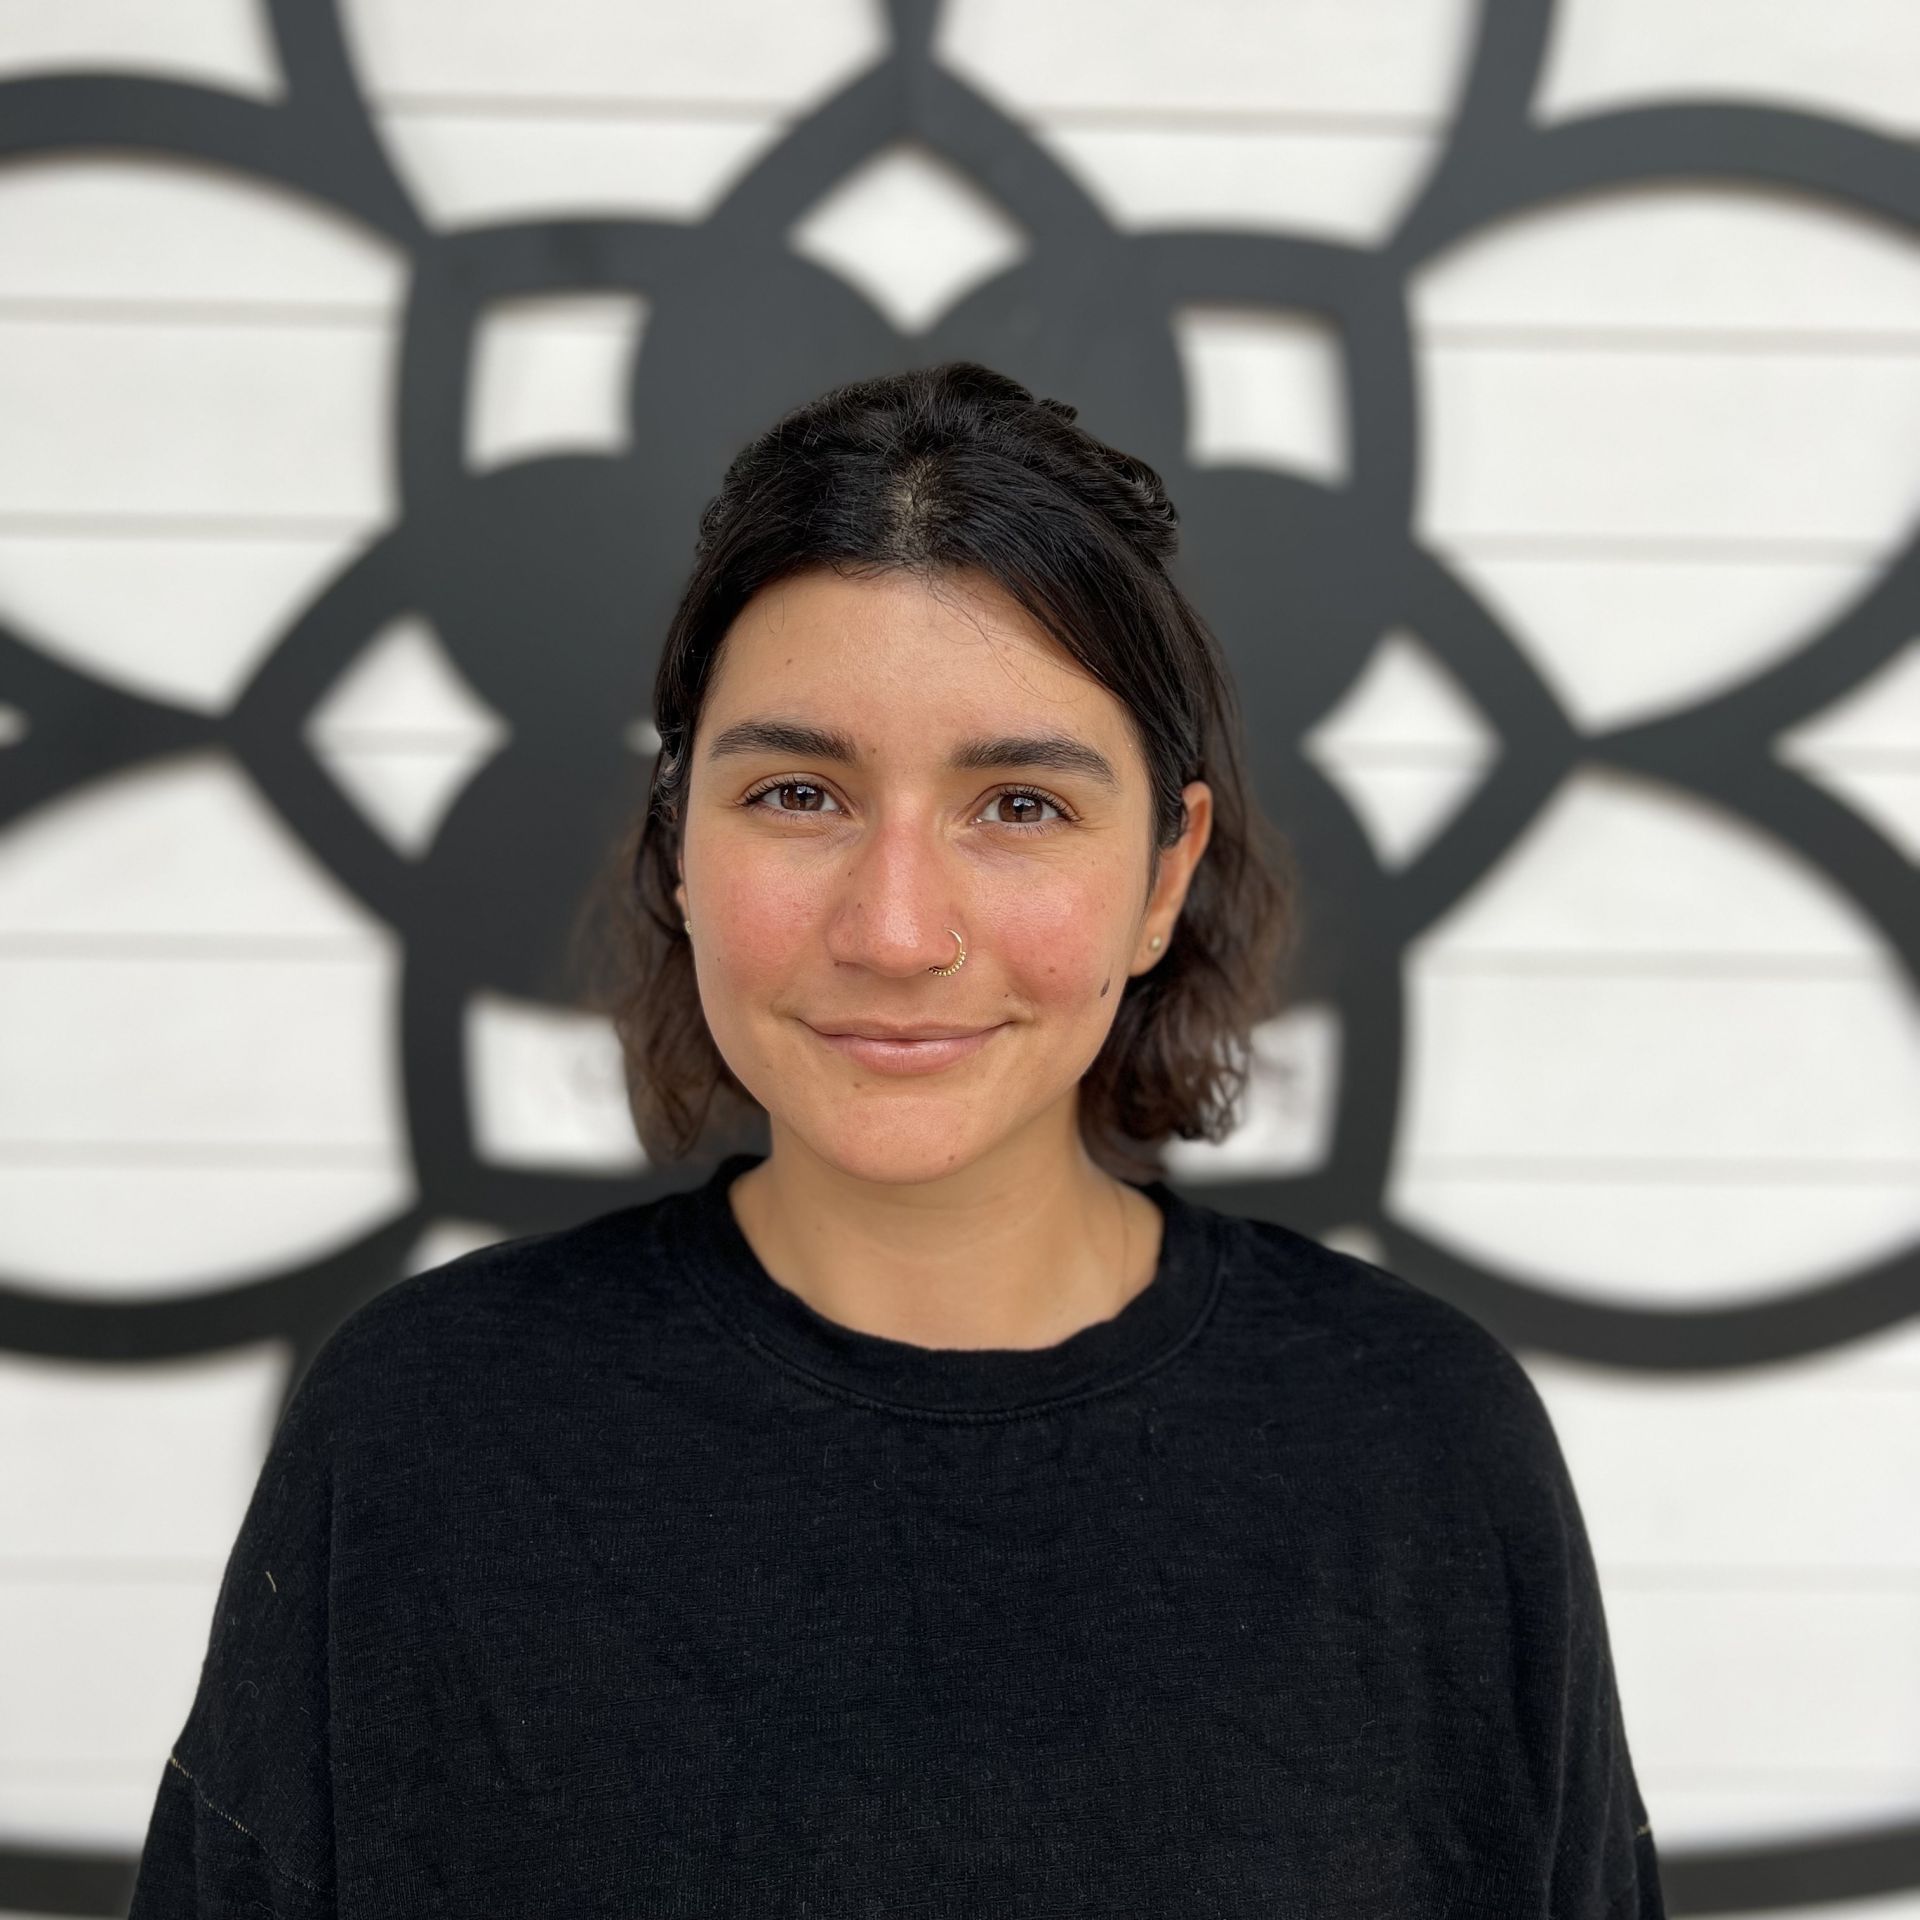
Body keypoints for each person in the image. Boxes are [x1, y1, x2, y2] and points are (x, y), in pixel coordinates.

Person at [127, 360, 1665, 1916]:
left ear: (1162, 871)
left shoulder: (1419, 1448)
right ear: (677, 843)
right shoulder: (425, 1433)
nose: (897, 928)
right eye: (800, 792)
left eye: (1019, 806)